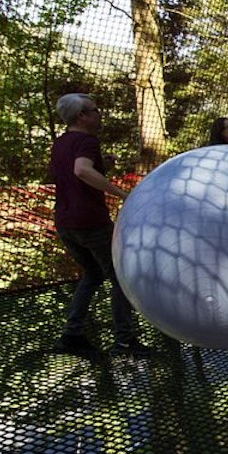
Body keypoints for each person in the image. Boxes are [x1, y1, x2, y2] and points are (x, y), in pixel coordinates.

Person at [49, 93, 151, 357]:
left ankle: (72, 334)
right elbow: (81, 170)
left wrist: (104, 164)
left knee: (93, 275)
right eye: (95, 109)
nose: (99, 114)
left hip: (64, 222)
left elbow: (75, 169)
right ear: (82, 116)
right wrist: (120, 193)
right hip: (90, 222)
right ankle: (125, 342)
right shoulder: (87, 140)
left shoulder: (61, 143)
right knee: (120, 277)